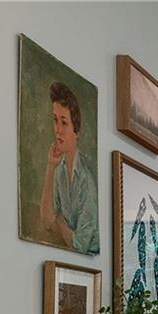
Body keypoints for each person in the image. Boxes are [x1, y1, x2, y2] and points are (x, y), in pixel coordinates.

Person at [38, 81, 98, 254]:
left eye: (64, 123)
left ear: (76, 130)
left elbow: (80, 245)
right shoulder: (60, 170)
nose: (58, 130)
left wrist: (59, 220)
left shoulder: (86, 182)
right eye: (55, 120)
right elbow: (47, 219)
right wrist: (51, 166)